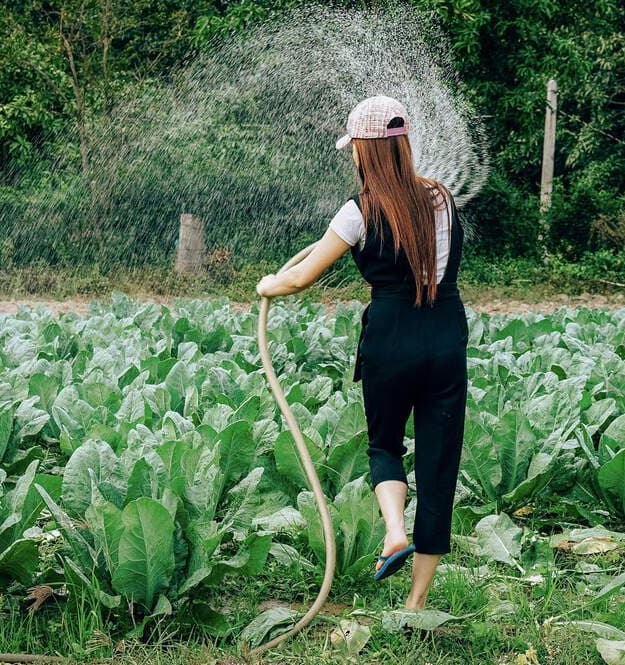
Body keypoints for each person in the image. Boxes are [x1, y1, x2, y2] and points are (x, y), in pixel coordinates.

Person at [256, 95, 468, 611]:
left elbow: (302, 276)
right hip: (444, 334)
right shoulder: (441, 197)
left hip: (391, 337)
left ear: (366, 153)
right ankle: (416, 605)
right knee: (439, 466)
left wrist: (268, 284)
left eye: (354, 149)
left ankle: (395, 530)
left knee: (385, 445)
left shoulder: (358, 212)